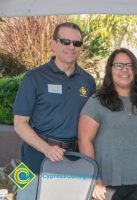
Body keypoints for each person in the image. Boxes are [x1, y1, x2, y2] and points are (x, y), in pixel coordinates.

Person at [13, 22, 96, 199]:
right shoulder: (33, 77)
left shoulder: (88, 81)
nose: (71, 47)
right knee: (23, 196)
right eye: (65, 41)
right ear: (53, 44)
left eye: (77, 43)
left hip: (73, 158)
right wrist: (46, 149)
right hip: (33, 157)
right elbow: (19, 124)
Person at [78, 48, 137, 200]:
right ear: (110, 70)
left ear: (135, 70)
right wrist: (94, 178)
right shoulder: (97, 101)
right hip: (107, 184)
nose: (124, 70)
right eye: (118, 65)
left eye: (129, 65)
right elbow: (84, 140)